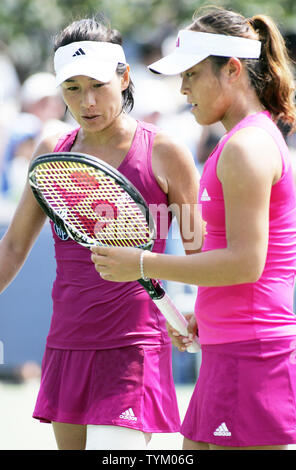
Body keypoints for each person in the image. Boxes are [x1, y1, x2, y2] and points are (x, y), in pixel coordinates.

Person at [91, 6, 296, 450]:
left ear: (233, 70)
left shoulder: (247, 147)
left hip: (253, 356)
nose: (182, 89)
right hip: (229, 350)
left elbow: (246, 263)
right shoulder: (234, 143)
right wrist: (207, 313)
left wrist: (141, 262)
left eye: (192, 75)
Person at [0, 18, 201, 450]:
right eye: (72, 88)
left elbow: (200, 246)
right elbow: (13, 247)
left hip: (134, 347)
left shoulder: (165, 152)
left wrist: (200, 313)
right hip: (67, 342)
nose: (87, 101)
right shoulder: (51, 151)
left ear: (124, 77)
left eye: (98, 85)